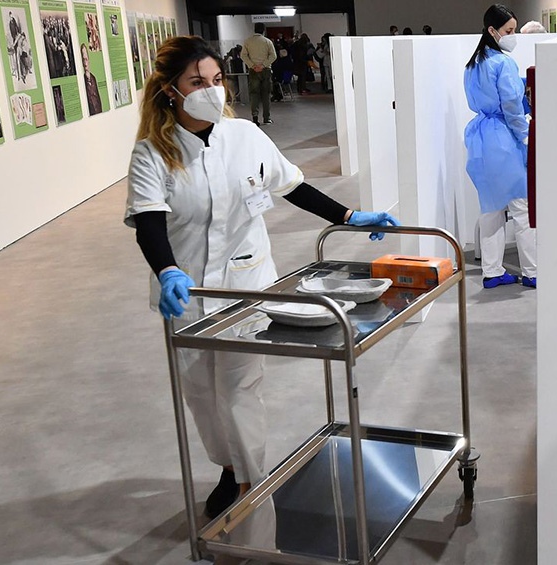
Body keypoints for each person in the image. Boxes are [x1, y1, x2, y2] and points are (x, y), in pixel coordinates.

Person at [124, 36, 399, 519]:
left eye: (216, 79)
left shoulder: (245, 135)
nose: (212, 90)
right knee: (201, 395)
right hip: (188, 294)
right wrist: (167, 270)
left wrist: (349, 215)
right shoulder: (153, 153)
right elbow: (149, 221)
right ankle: (229, 466)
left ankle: (251, 484)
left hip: (245, 287)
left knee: (238, 391)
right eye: (197, 82)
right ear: (170, 90)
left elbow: (293, 186)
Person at [464, 4, 538, 289]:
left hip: (480, 139)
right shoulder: (503, 63)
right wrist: (526, 135)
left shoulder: (474, 63)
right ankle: (532, 272)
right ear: (492, 31)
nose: (513, 35)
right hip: (504, 138)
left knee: (491, 207)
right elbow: (511, 107)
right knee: (522, 207)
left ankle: (492, 272)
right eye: (509, 30)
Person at [243, 23, 276, 125]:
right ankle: (266, 118)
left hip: (253, 71)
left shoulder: (248, 41)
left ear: (254, 29)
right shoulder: (267, 42)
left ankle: (255, 117)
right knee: (266, 94)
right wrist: (263, 65)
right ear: (263, 30)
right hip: (266, 70)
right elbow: (273, 56)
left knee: (254, 94)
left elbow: (243, 55)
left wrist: (252, 65)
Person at [80, 44, 102, 115]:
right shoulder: (82, 81)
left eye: (86, 59)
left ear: (88, 60)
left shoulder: (93, 78)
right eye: (83, 60)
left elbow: (98, 99)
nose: (85, 63)